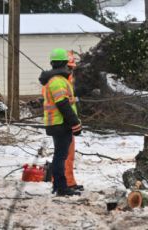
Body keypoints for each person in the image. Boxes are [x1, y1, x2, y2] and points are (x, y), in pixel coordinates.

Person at [39, 48, 82, 196]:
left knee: (60, 156)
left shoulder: (55, 80)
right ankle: (62, 187)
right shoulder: (58, 81)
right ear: (64, 64)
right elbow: (63, 104)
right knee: (61, 157)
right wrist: (75, 123)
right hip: (60, 123)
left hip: (56, 123)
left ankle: (59, 186)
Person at [63, 50, 84, 192]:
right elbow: (62, 104)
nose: (71, 71)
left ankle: (70, 182)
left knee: (69, 156)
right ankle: (65, 183)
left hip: (68, 123)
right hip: (64, 123)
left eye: (72, 68)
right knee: (64, 156)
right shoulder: (60, 82)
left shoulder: (67, 81)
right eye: (69, 68)